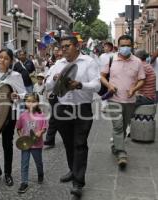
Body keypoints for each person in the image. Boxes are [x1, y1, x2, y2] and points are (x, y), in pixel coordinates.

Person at [45, 36, 101, 199]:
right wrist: (54, 79)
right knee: (69, 144)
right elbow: (47, 83)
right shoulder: (58, 64)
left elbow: (97, 85)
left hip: (82, 109)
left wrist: (80, 85)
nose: (63, 50)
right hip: (62, 108)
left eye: (67, 46)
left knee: (80, 144)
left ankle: (78, 182)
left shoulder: (88, 62)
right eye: (61, 47)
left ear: (77, 46)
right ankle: (72, 170)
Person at [101, 35, 145, 170]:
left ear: (131, 46)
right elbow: (102, 76)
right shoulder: (111, 59)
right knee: (118, 126)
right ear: (118, 46)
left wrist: (134, 88)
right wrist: (109, 86)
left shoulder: (137, 62)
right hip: (114, 99)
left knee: (124, 126)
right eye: (122, 45)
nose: (125, 48)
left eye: (128, 45)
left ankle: (116, 145)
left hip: (130, 100)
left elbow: (142, 80)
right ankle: (121, 153)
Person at [0, 48, 26, 187]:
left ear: (11, 61)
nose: (2, 60)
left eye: (6, 58)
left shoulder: (16, 75)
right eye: (0, 57)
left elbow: (24, 95)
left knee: (7, 144)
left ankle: (8, 173)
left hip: (10, 112)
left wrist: (16, 96)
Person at [16, 93, 47, 193]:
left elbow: (44, 128)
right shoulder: (22, 116)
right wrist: (21, 137)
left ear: (37, 103)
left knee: (38, 162)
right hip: (25, 145)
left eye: (33, 101)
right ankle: (24, 182)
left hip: (36, 144)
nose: (31, 104)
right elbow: (18, 128)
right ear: (25, 102)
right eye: (28, 101)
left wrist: (40, 133)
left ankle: (40, 173)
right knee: (24, 163)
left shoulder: (41, 115)